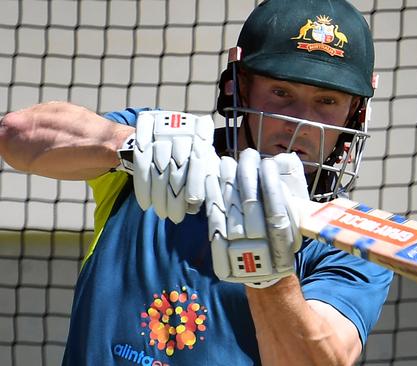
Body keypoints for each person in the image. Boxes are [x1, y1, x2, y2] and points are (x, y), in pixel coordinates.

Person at [0, 0, 392, 365]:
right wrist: (124, 145)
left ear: (354, 115)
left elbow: (321, 360)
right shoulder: (162, 146)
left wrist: (268, 275)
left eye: (326, 101)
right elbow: (15, 136)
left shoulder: (350, 243)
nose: (301, 121)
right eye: (281, 92)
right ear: (239, 86)